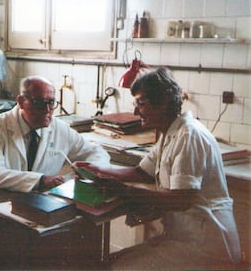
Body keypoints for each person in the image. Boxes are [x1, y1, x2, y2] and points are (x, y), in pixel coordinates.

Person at [75, 67, 242, 269]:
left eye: (141, 104)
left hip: (205, 245)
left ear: (163, 102)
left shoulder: (188, 136)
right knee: (108, 262)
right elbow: (141, 172)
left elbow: (182, 199)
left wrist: (125, 192)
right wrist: (99, 170)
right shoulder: (169, 132)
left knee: (114, 267)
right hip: (184, 237)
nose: (136, 112)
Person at [0, 75, 110, 192]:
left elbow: (97, 152)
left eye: (51, 103)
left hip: (34, 202)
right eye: (38, 103)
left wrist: (92, 170)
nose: (47, 110)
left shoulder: (60, 129)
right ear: (21, 102)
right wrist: (40, 181)